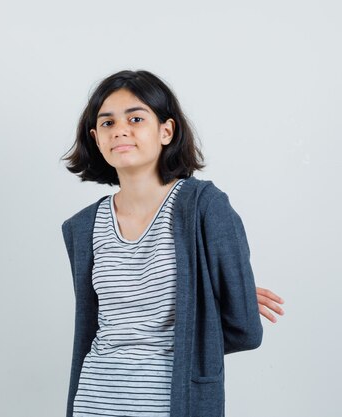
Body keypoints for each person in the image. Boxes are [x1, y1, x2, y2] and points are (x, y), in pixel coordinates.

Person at [60, 70, 284, 417]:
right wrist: (202, 308)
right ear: (95, 137)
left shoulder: (205, 207)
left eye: (136, 118)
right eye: (107, 123)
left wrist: (203, 309)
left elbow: (246, 331)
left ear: (166, 130)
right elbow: (93, 328)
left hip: (173, 405)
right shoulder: (82, 227)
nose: (119, 129)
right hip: (93, 402)